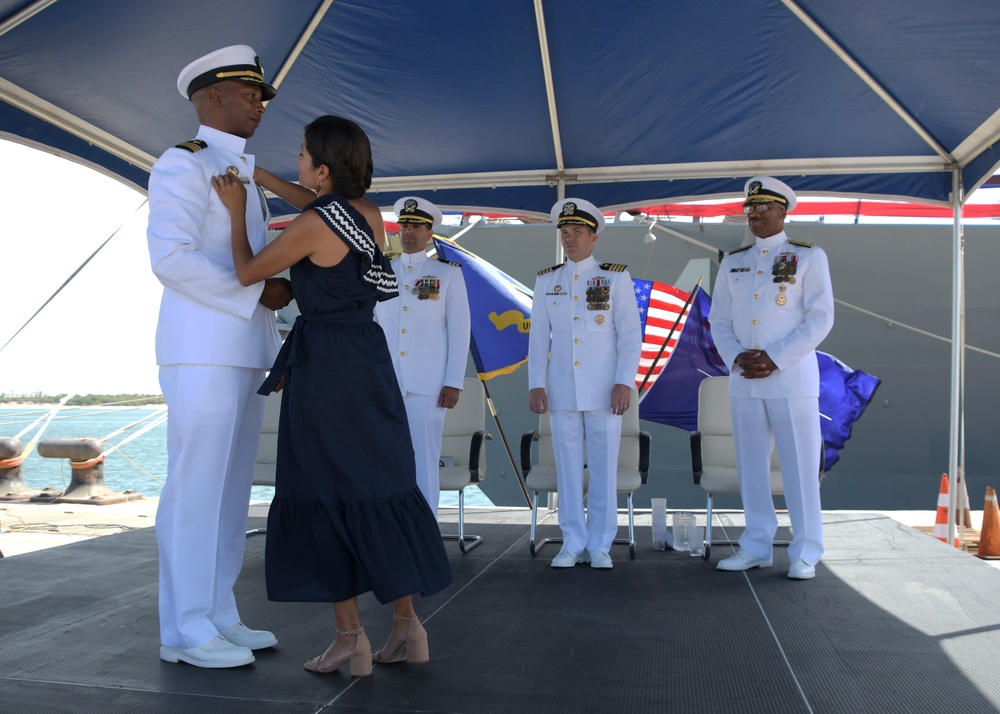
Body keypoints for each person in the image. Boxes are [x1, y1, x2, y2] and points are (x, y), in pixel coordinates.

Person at [214, 114, 452, 677]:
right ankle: (406, 627)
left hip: (325, 368)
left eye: (301, 155)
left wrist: (233, 211)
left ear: (322, 168)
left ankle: (350, 639)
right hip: (368, 361)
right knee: (379, 484)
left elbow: (249, 271)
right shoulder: (366, 214)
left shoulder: (316, 222)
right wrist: (266, 180)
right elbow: (321, 205)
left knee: (322, 488)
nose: (295, 162)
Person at [147, 45, 293, 668]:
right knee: (195, 490)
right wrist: (260, 293)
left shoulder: (245, 174)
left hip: (241, 349)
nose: (260, 103)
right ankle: (182, 630)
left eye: (261, 95)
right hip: (203, 349)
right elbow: (171, 258)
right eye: (250, 93)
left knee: (231, 494)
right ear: (213, 98)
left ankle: (217, 612)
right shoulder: (183, 165)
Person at [708, 176, 835, 580]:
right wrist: (736, 358)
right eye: (751, 208)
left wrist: (775, 359)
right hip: (744, 378)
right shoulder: (733, 261)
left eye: (764, 207)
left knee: (799, 468)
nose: (755, 214)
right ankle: (757, 545)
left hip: (791, 379)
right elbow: (720, 319)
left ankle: (806, 551)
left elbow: (821, 317)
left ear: (784, 212)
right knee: (751, 467)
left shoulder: (808, 257)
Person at [527, 198, 642, 570]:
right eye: (564, 232)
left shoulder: (614, 278)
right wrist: (536, 383)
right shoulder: (547, 280)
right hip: (561, 390)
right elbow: (538, 338)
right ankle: (572, 540)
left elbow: (629, 337)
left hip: (605, 390)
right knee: (567, 469)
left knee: (605, 467)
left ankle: (601, 543)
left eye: (577, 232)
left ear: (594, 237)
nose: (569, 238)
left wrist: (625, 382)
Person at [374, 196, 471, 518]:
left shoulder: (447, 274)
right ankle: (392, 525)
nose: (408, 232)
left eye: (416, 226)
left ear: (429, 233)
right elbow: (371, 327)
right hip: (384, 384)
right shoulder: (382, 271)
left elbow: (459, 331)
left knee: (424, 460)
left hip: (428, 386)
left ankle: (425, 527)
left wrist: (453, 381)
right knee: (385, 459)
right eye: (404, 225)